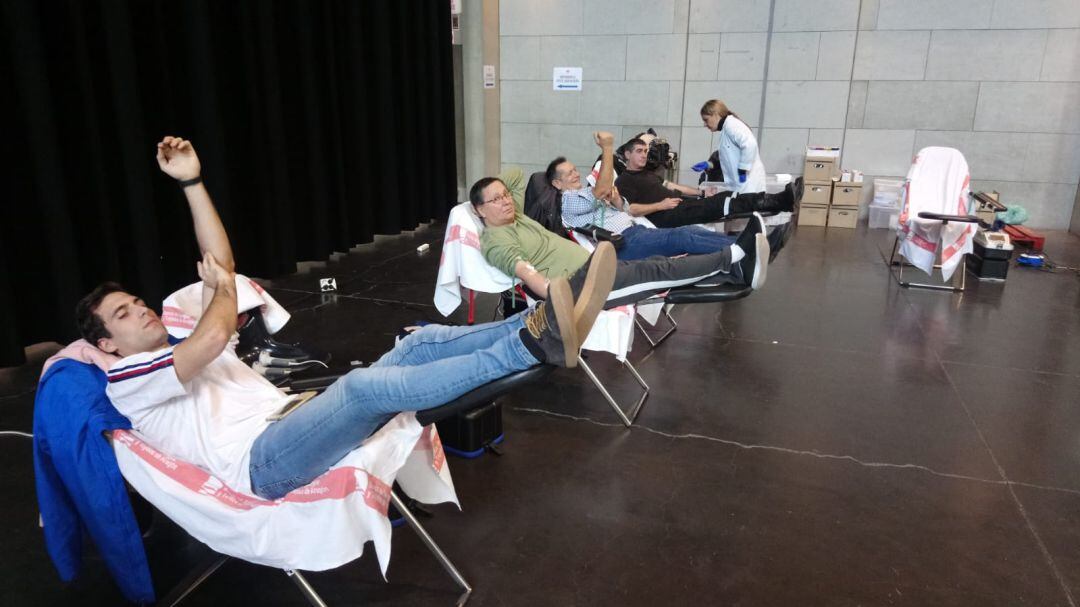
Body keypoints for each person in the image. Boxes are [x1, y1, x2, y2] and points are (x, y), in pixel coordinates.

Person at [77, 136, 617, 501]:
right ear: (106, 343)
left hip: (291, 420)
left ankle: (541, 323)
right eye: (124, 313)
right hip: (260, 463)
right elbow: (219, 322)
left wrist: (192, 183)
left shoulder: (178, 334)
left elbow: (224, 265)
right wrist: (220, 288)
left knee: (417, 341)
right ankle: (527, 346)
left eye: (137, 300)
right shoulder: (126, 379)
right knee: (362, 388)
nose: (143, 309)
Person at [471, 163, 770, 316]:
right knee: (657, 271)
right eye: (495, 200)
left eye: (506, 196)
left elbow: (514, 174)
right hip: (582, 286)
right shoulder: (496, 241)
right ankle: (734, 257)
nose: (506, 201)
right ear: (479, 210)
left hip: (596, 266)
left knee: (659, 264)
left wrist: (489, 195)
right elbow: (523, 270)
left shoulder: (516, 215)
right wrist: (558, 296)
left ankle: (736, 264)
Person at [550, 132, 740, 262]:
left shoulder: (644, 175)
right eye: (568, 174)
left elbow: (623, 206)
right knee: (682, 237)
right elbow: (604, 192)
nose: (575, 174)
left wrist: (616, 200)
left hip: (636, 229)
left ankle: (744, 243)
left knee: (691, 230)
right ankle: (744, 249)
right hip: (623, 244)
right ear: (557, 184)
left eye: (575, 170)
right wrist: (607, 148)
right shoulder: (567, 200)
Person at [614, 137, 799, 229]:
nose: (644, 155)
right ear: (628, 154)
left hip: (679, 205)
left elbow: (674, 187)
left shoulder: (648, 174)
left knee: (723, 197)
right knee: (722, 202)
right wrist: (660, 205)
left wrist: (700, 193)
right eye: (639, 151)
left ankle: (778, 201)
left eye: (646, 151)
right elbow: (630, 209)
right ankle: (779, 202)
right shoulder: (624, 180)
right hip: (665, 216)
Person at [695, 99, 766, 194]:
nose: (705, 124)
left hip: (748, 185)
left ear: (715, 114)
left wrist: (743, 169)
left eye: (706, 120)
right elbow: (729, 159)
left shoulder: (731, 126)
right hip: (741, 186)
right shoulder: (726, 129)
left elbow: (750, 144)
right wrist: (709, 164)